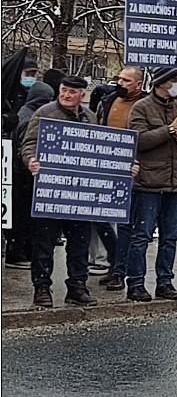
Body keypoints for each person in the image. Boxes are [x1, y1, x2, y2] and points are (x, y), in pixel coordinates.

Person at [20, 76, 98, 308]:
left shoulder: (89, 116)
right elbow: (29, 143)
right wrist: (31, 160)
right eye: (63, 90)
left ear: (82, 95)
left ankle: (77, 286)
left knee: (79, 242)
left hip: (79, 191)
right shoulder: (45, 113)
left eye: (72, 92)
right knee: (44, 241)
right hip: (50, 189)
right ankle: (42, 287)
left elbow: (98, 149)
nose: (66, 95)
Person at [126, 67, 177, 301]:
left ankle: (165, 281)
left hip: (176, 183)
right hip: (150, 182)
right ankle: (136, 283)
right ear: (161, 84)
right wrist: (168, 131)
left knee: (169, 237)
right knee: (142, 236)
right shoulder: (142, 107)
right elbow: (138, 140)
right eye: (173, 82)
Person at [95, 66, 146, 291]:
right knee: (99, 217)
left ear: (139, 84)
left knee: (127, 224)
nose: (120, 83)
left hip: (133, 169)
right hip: (107, 166)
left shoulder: (144, 105)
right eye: (119, 79)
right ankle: (115, 259)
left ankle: (120, 270)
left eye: (126, 80)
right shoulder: (108, 101)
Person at [5, 82, 55, 270]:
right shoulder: (30, 117)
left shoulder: (25, 112)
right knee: (23, 218)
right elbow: (26, 146)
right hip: (24, 174)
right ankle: (18, 253)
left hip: (20, 173)